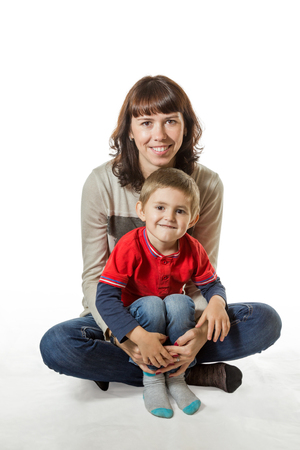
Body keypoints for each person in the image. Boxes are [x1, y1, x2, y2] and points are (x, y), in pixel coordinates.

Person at [40, 75, 281, 397]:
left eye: (170, 121)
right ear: (129, 129)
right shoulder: (101, 184)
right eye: (146, 122)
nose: (159, 135)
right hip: (119, 313)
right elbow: (95, 277)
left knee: (264, 321)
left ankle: (140, 367)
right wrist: (127, 338)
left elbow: (202, 278)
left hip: (180, 315)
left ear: (186, 127)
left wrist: (196, 335)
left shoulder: (206, 185)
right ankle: (187, 372)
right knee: (58, 345)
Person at [96, 167, 230, 418]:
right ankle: (153, 379)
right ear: (141, 211)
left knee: (180, 301)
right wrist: (138, 337)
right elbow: (104, 297)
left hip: (173, 321)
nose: (169, 217)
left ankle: (178, 377)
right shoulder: (129, 246)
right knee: (151, 305)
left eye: (179, 211)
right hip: (136, 322)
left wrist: (217, 303)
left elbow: (212, 285)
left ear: (192, 220)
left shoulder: (193, 248)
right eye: (160, 207)